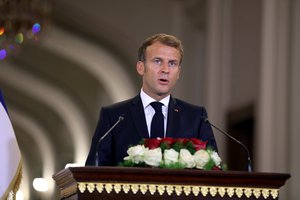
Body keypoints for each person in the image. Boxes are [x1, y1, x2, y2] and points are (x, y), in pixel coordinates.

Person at [85, 33, 218, 166]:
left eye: (172, 63)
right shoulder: (114, 116)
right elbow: (93, 170)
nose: (165, 69)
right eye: (157, 61)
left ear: (178, 72)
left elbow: (213, 169)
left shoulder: (196, 117)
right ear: (141, 67)